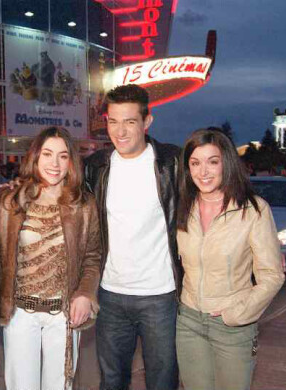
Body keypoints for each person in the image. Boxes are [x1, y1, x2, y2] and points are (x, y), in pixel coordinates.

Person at [84, 84, 182, 390]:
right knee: (112, 381)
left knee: (162, 381)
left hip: (160, 295)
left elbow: (213, 197)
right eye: (113, 121)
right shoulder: (96, 167)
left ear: (147, 122)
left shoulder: (173, 163)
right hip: (110, 295)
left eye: (129, 122)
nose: (120, 131)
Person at [175, 129, 285, 390]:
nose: (204, 172)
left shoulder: (253, 211)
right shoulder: (183, 207)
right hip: (189, 322)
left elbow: (272, 275)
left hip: (233, 327)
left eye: (213, 162)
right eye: (195, 163)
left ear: (227, 162)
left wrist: (237, 314)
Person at [0, 127, 101, 390]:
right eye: (47, 154)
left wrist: (85, 293)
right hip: (20, 314)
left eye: (63, 156)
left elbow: (92, 257)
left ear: (71, 162)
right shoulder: (11, 202)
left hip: (63, 316)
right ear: (35, 157)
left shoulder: (84, 205)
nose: (54, 164)